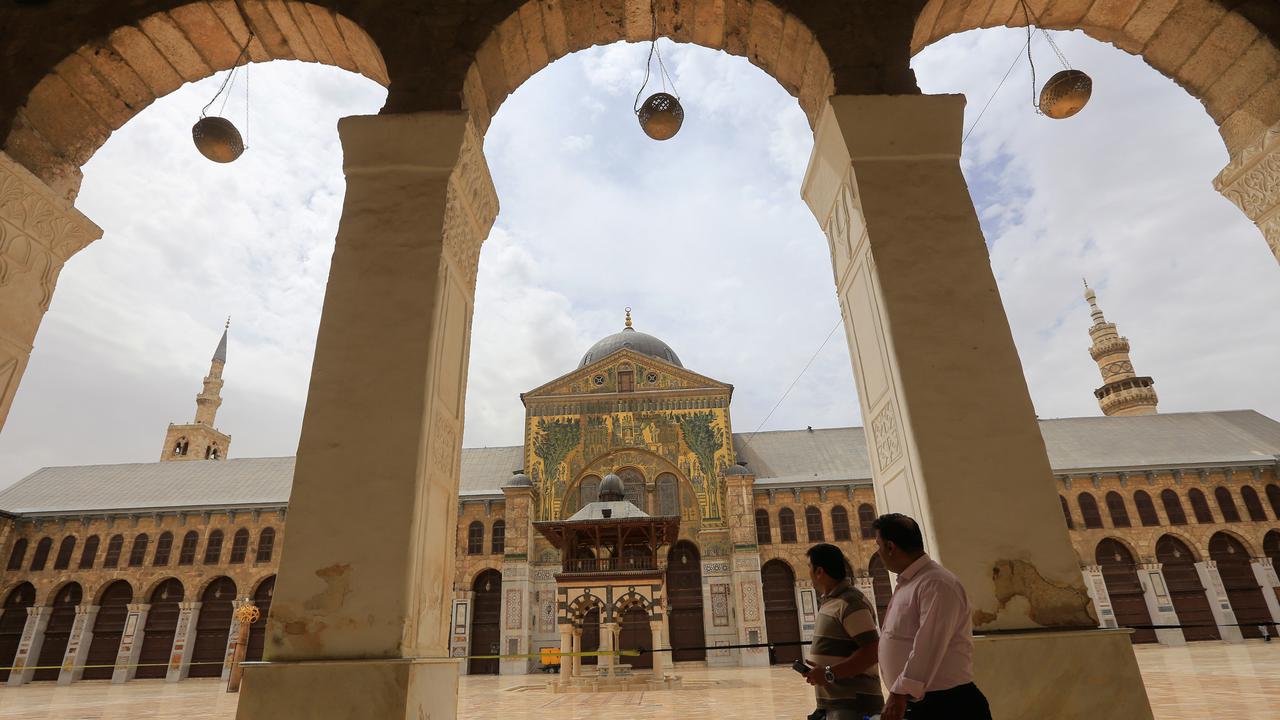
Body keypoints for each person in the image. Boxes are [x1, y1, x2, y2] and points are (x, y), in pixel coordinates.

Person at [872, 513, 991, 720]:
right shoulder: (912, 583)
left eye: (879, 545)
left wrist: (900, 692)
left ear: (890, 547)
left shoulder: (936, 583)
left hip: (949, 705)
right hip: (924, 703)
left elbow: (928, 644)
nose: (878, 552)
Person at [802, 543, 884, 720]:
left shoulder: (851, 602)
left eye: (809, 567)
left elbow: (872, 651)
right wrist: (820, 672)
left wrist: (829, 673)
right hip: (836, 705)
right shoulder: (832, 602)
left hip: (854, 706)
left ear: (819, 571)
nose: (807, 573)